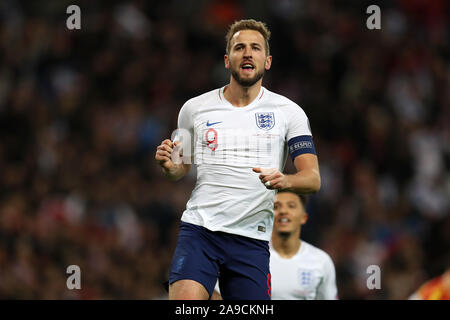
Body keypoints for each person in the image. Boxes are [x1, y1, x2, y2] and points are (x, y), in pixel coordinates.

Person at [155, 19, 321, 300]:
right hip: (200, 230)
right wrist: (170, 167)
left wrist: (286, 179)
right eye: (239, 47)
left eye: (255, 48)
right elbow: (179, 167)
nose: (247, 53)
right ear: (226, 60)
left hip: (251, 239)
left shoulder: (289, 112)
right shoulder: (193, 109)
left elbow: (313, 178)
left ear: (267, 61)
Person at [212, 191, 338, 300]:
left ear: (303, 217)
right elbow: (216, 293)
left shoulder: (321, 261)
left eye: (291, 206)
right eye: (276, 206)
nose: (283, 211)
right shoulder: (247, 255)